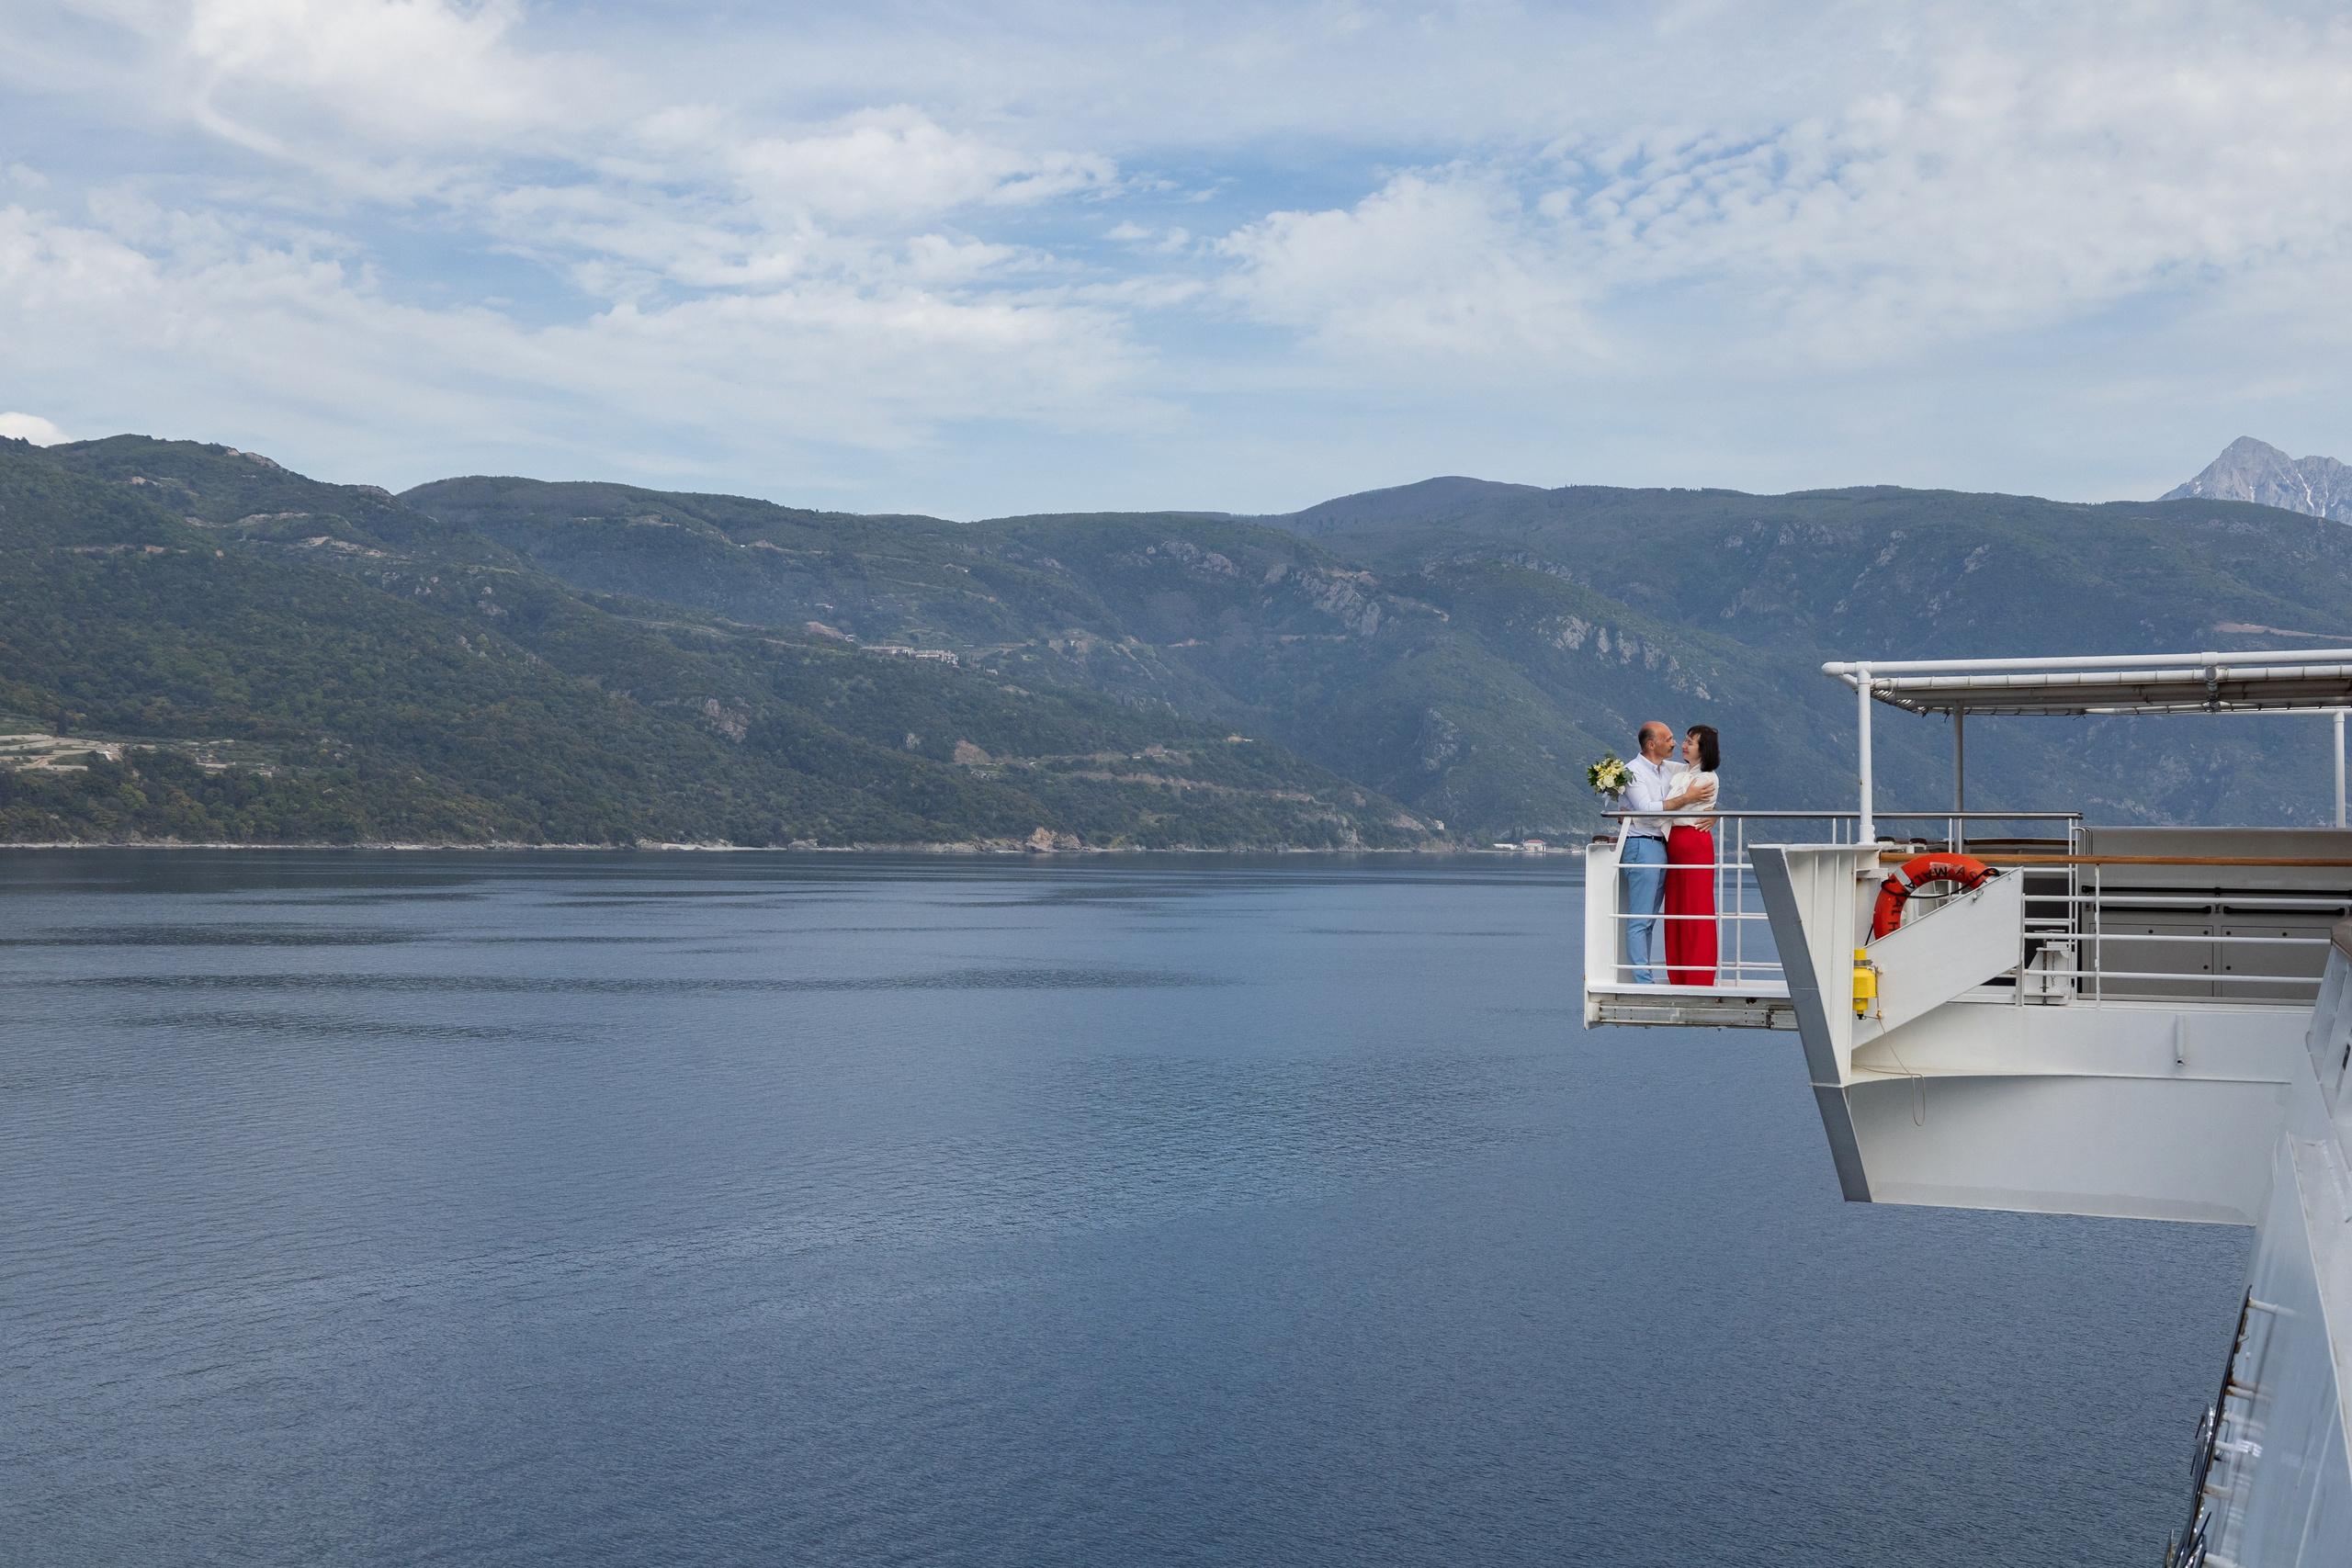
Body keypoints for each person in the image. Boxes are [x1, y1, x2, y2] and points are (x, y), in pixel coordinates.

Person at [1619, 721, 1680, 983]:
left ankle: (1645, 977)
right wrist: (1684, 801)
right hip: (1641, 845)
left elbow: (1699, 767)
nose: (1674, 743)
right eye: (1669, 739)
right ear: (1651, 744)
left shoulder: (1667, 770)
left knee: (1649, 920)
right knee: (1640, 919)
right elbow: (1646, 808)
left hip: (1660, 845)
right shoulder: (1632, 771)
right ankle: (1643, 981)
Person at [1664, 725, 1721, 986]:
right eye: (1685, 740)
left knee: (1696, 907)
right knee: (1676, 907)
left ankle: (1698, 974)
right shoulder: (1682, 772)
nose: (1683, 745)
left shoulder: (1707, 777)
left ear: (1703, 750)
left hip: (1693, 841)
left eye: (1690, 742)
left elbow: (1677, 808)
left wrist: (1710, 808)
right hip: (1676, 843)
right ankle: (1678, 972)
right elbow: (1657, 764)